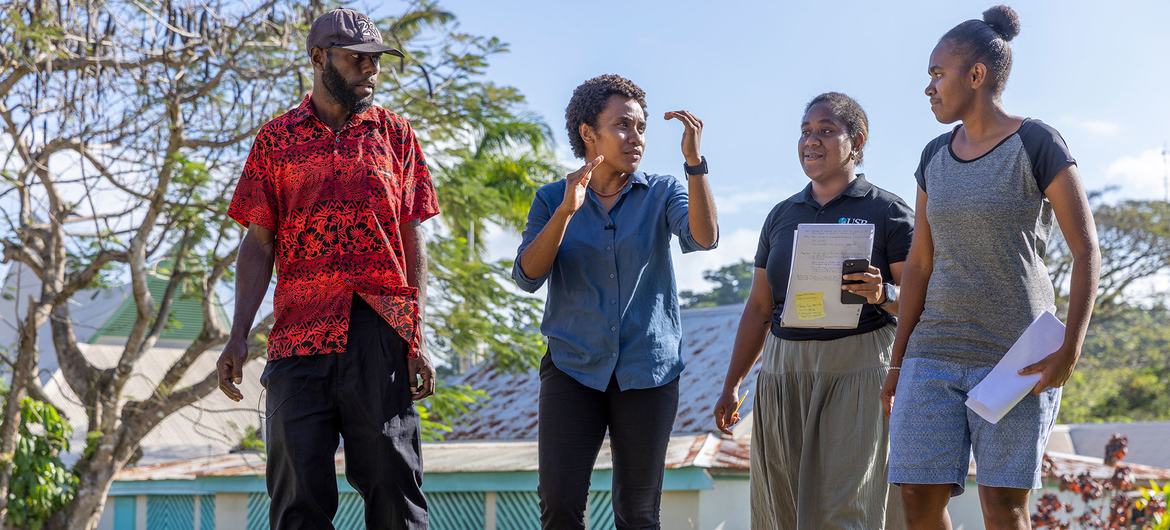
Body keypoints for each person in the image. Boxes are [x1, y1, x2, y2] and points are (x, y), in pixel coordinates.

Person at [217, 8, 440, 530]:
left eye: (375, 60)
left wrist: (415, 335)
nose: (369, 69)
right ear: (318, 58)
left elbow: (412, 236)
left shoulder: (397, 135)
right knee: (297, 497)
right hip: (297, 336)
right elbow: (258, 241)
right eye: (355, 58)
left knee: (394, 487)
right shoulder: (276, 140)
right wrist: (238, 334)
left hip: (378, 332)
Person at [883, 6, 1100, 529]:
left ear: (976, 75)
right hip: (932, 354)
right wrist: (898, 359)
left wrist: (1069, 348)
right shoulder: (933, 155)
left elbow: (1086, 249)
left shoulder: (1037, 143)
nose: (929, 87)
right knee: (916, 494)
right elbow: (920, 263)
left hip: (1015, 357)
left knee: (1003, 505)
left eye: (938, 74)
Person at [512, 74, 718, 529]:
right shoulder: (551, 199)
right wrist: (567, 211)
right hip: (572, 368)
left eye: (641, 127)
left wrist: (695, 163)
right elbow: (527, 276)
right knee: (561, 507)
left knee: (639, 514)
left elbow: (703, 238)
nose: (637, 138)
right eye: (624, 125)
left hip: (649, 370)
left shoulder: (663, 190)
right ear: (589, 133)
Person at [713, 92, 914, 530]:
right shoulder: (782, 215)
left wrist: (884, 293)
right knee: (780, 505)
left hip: (859, 365)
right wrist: (732, 384)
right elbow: (759, 307)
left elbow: (919, 301)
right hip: (785, 370)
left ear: (856, 141)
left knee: (847, 508)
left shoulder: (889, 211)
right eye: (805, 131)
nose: (812, 141)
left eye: (826, 130)